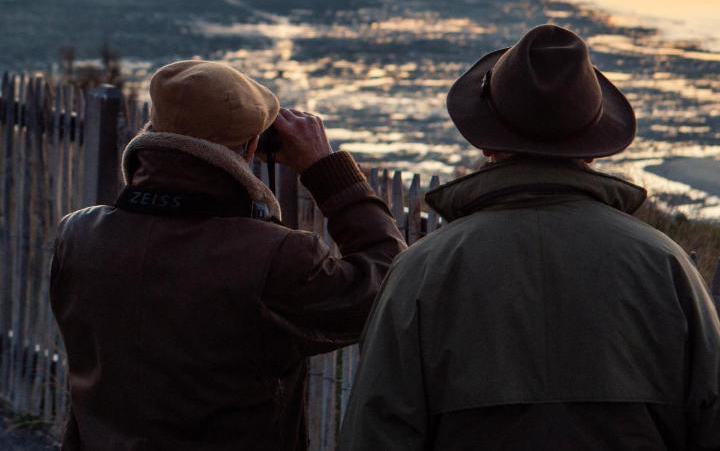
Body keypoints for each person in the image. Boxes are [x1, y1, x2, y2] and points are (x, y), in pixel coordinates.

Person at [340, 24, 720, 450]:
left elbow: (378, 433)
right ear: (593, 147)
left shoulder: (422, 271)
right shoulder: (666, 266)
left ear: (487, 144)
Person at [50, 59, 406, 450]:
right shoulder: (273, 257)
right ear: (254, 146)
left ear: (154, 133)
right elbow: (389, 284)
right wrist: (327, 169)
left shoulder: (78, 235)